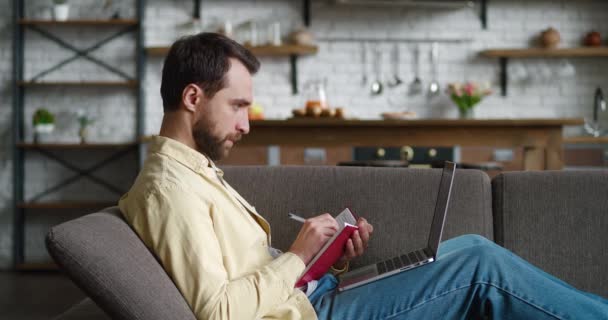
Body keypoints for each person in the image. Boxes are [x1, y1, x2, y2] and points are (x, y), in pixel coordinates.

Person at [119, 32, 608, 320]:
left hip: (314, 296)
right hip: (315, 315)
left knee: (474, 248)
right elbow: (220, 312)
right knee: (481, 270)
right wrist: (297, 254)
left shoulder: (194, 171)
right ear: (192, 98)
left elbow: (246, 273)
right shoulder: (169, 189)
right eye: (238, 107)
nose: (246, 124)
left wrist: (326, 257)